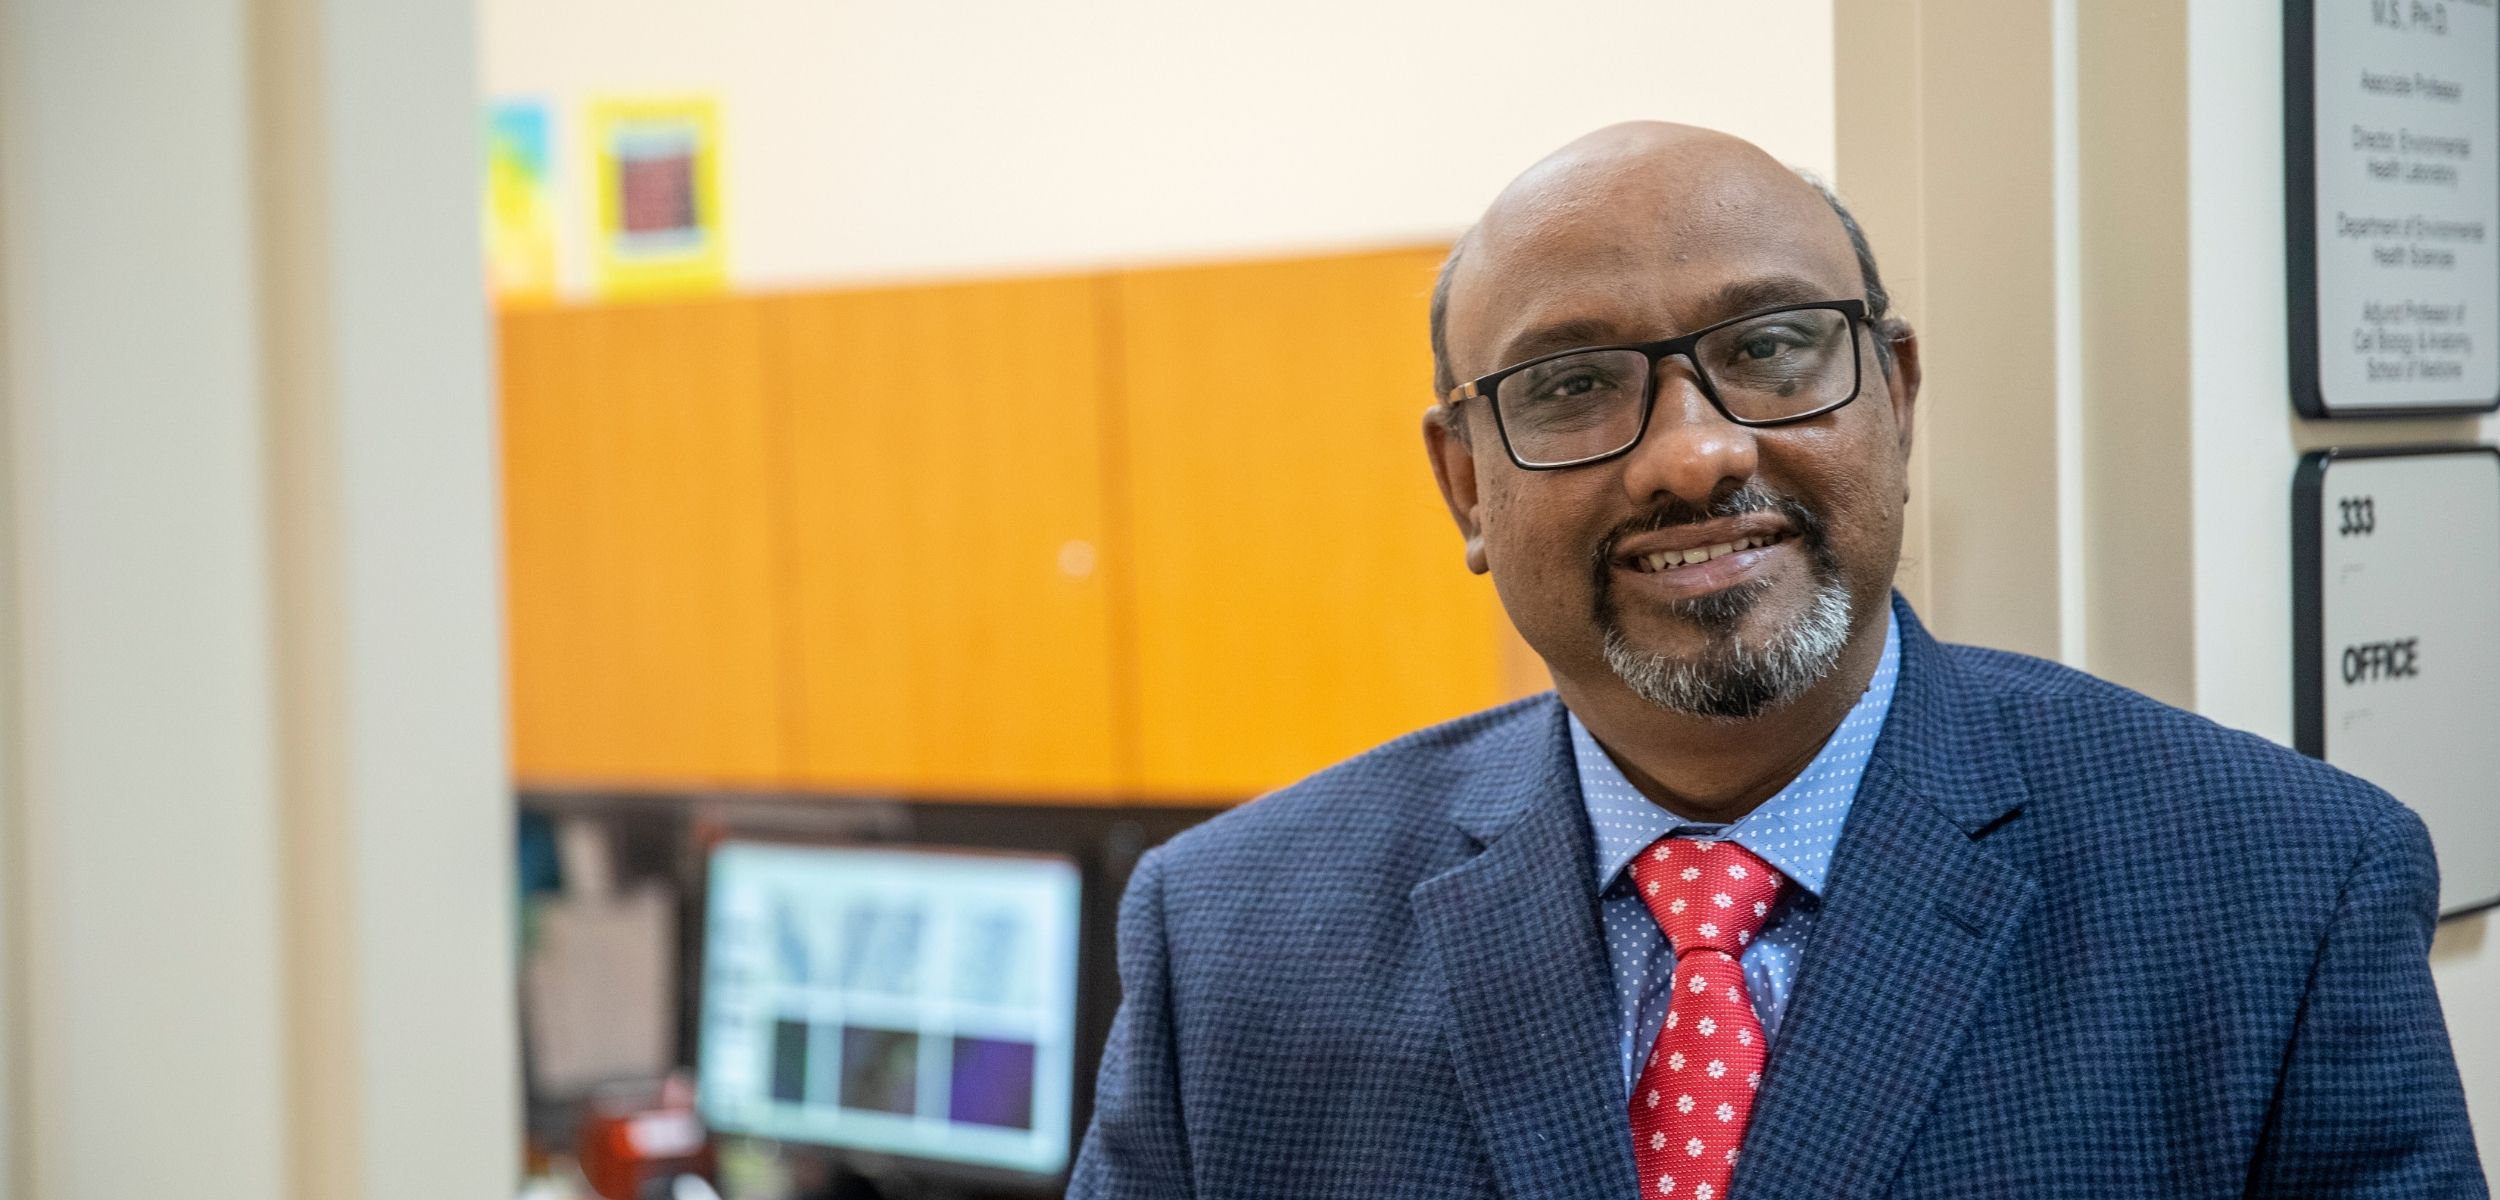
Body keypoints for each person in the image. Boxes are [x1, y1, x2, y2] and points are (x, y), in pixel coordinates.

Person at [1066, 122, 2486, 1199]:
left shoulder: (2280, 892)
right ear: (1463, 487)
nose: (1696, 451)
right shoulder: (1229, 937)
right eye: (1570, 386)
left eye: (1778, 348)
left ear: (1897, 399)